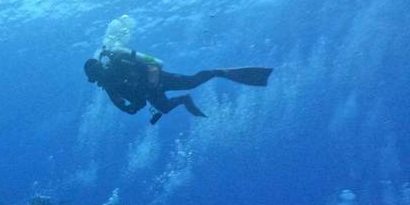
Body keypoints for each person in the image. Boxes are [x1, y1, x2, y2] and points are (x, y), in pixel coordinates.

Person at [83, 47, 273, 124]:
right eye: (95, 78)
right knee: (164, 108)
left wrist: (153, 84)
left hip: (159, 80)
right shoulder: (110, 87)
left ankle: (220, 72)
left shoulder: (120, 61)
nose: (99, 80)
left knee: (192, 81)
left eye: (98, 74)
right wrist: (132, 107)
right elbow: (128, 108)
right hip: (150, 94)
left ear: (101, 67)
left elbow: (153, 65)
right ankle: (184, 99)